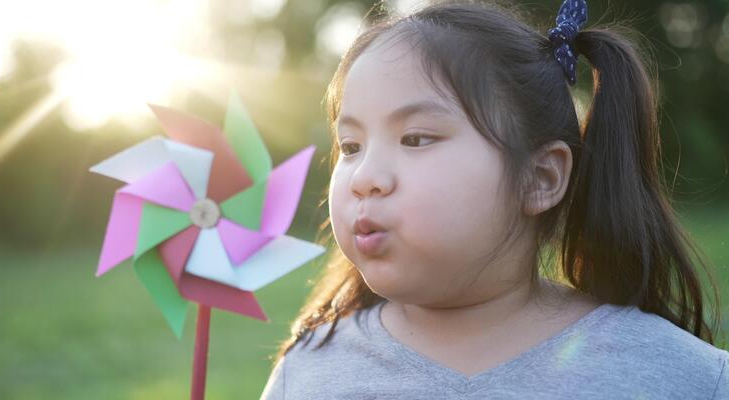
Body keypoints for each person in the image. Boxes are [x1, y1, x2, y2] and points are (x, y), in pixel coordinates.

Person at [259, 0, 729, 398]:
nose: (364, 178)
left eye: (416, 139)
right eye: (351, 147)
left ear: (539, 178)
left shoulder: (679, 377)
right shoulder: (308, 374)